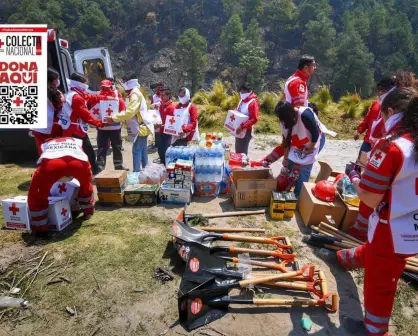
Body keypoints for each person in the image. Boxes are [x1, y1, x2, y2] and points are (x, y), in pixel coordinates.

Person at [337, 87, 418, 335]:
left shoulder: (392, 147)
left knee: (379, 285)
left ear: (391, 113)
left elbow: (370, 199)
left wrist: (354, 178)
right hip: (412, 226)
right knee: (376, 256)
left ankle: (374, 329)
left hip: (391, 229)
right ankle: (344, 258)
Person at [28, 137, 95, 236]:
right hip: (80, 163)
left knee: (37, 194)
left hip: (53, 165)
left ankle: (40, 229)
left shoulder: (46, 143)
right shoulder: (75, 141)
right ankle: (88, 212)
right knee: (86, 186)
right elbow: (83, 155)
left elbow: (43, 160)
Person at [262, 101, 326, 197]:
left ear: (291, 115)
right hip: (298, 143)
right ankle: (286, 189)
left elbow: (315, 134)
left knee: (303, 168)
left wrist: (309, 149)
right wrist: (286, 158)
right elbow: (286, 142)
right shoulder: (284, 120)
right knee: (290, 167)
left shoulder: (305, 115)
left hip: (314, 141)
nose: (283, 122)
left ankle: (298, 195)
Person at [58, 72, 106, 175]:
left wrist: (103, 97)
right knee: (84, 153)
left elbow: (89, 97)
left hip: (72, 129)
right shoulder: (76, 98)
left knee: (83, 152)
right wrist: (100, 123)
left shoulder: (73, 93)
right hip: (75, 130)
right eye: (85, 83)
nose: (86, 85)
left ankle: (90, 171)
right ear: (79, 83)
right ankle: (90, 173)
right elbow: (86, 115)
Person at [105, 73, 154, 172]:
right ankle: (146, 171)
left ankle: (136, 174)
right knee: (143, 150)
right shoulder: (135, 93)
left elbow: (130, 112)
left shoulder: (135, 95)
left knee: (136, 151)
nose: (122, 85)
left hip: (140, 128)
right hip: (143, 126)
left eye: (123, 83)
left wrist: (114, 118)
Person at [354, 77, 397, 155]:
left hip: (381, 143)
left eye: (383, 91)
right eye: (380, 91)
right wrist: (359, 131)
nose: (380, 93)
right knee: (360, 164)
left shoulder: (394, 108)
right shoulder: (375, 104)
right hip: (368, 141)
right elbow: (367, 119)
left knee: (374, 165)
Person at [93, 79, 128, 172]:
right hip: (102, 127)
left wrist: (116, 118)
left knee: (117, 146)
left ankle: (118, 165)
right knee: (101, 147)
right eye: (103, 87)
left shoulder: (117, 98)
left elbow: (123, 110)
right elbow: (93, 111)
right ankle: (100, 167)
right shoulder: (96, 98)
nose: (105, 89)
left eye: (107, 87)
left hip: (115, 127)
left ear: (111, 87)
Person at [31, 68, 63, 154]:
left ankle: (45, 165)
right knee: (55, 151)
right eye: (57, 79)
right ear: (52, 80)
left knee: (43, 151)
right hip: (52, 127)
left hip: (38, 128)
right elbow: (59, 107)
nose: (58, 81)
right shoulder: (55, 92)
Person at [234, 84, 259, 155]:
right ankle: (239, 165)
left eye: (244, 91)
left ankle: (243, 165)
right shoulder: (242, 100)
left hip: (246, 131)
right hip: (239, 129)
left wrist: (242, 127)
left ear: (249, 91)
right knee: (238, 150)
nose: (241, 93)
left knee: (242, 154)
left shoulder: (252, 102)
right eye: (241, 91)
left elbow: (254, 119)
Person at [155, 88, 175, 165]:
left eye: (163, 95)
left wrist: (163, 125)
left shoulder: (171, 107)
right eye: (161, 95)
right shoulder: (161, 106)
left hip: (167, 133)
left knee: (164, 151)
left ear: (168, 96)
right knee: (160, 150)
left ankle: (166, 168)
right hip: (160, 131)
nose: (161, 97)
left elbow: (172, 123)